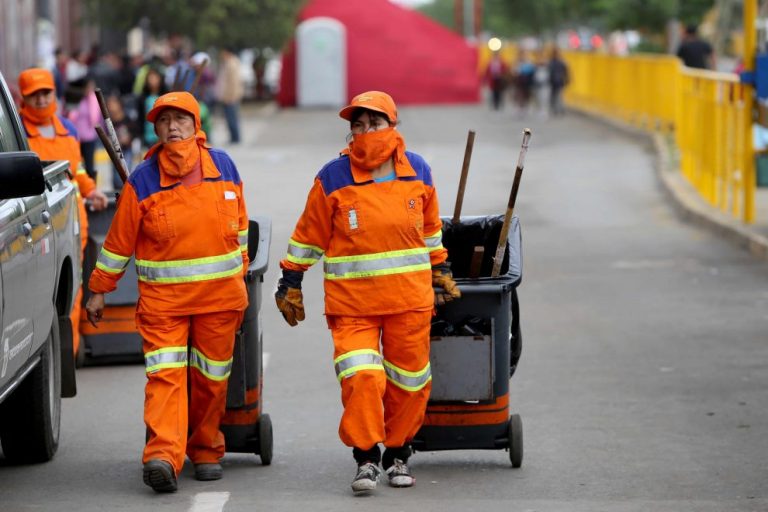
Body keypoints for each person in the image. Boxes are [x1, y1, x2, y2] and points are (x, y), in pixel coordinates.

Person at [274, 91, 461, 494]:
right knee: (361, 378)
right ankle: (366, 458)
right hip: (353, 306)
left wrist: (440, 267)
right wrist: (291, 278)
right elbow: (309, 234)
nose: (366, 132)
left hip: (409, 301)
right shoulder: (333, 177)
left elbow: (430, 229)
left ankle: (398, 453)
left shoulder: (418, 171)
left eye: (374, 124)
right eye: (358, 126)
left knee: (410, 382)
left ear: (392, 126)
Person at [84, 91, 249, 493]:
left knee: (211, 379)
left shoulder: (224, 167)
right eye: (164, 121)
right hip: (164, 305)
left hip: (219, 300)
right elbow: (119, 243)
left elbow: (241, 228)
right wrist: (99, 290)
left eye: (181, 119)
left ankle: (206, 449)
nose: (173, 127)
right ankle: (163, 456)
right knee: (165, 377)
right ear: (155, 130)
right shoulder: (143, 179)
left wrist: (241, 273)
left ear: (197, 125)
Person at [17, 68, 108, 364]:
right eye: (34, 95)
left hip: (71, 221)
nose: (41, 100)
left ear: (54, 94)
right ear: (24, 98)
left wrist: (91, 190)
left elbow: (76, 168)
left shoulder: (67, 128)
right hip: (36, 226)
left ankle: (66, 361)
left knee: (72, 292)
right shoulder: (18, 132)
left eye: (46, 93)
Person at [216, 47, 244, 144]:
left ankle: (235, 138)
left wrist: (231, 96)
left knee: (232, 118)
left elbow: (233, 82)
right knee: (230, 118)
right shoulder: (228, 63)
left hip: (230, 97)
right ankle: (233, 137)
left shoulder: (231, 64)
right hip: (228, 96)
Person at [547, 48, 570, 117]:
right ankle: (556, 109)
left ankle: (559, 109)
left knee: (558, 96)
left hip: (558, 81)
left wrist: (567, 79)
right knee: (554, 96)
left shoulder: (560, 62)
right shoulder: (552, 62)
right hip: (554, 81)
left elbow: (566, 72)